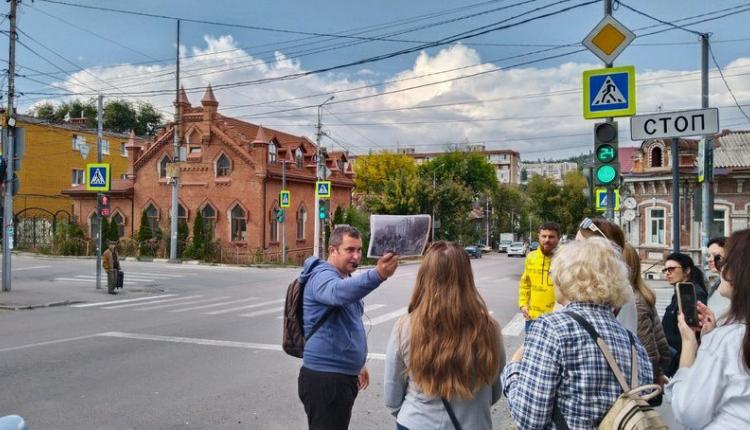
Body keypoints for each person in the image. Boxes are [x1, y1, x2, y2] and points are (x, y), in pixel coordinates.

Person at [502, 237, 653, 429]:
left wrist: (513, 369)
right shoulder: (634, 344)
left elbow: (530, 419)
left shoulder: (551, 329)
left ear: (567, 278)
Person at [384, 241, 505, 430]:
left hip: (416, 422)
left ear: (424, 277)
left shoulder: (405, 327)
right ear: (467, 277)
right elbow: (495, 390)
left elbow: (392, 393)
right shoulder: (490, 329)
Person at [297, 225, 398, 430]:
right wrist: (377, 274)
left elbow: (346, 324)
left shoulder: (343, 276)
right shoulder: (321, 276)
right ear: (333, 250)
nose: (356, 256)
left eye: (359, 250)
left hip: (339, 376)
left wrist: (358, 363)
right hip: (326, 379)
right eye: (350, 250)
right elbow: (337, 293)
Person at [666, 229, 750, 429]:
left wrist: (690, 343)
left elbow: (687, 412)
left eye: (722, 260)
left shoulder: (729, 339)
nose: (718, 267)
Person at [622, 244, 671, 405]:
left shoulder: (633, 301)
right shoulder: (638, 294)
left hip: (637, 386)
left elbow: (647, 348)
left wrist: (654, 376)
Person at [576, 216, 638, 334]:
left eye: (580, 245)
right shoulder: (575, 281)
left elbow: (627, 337)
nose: (573, 250)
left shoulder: (617, 288)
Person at [660, 252, 708, 377]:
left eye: (671, 269)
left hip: (682, 360)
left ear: (687, 271)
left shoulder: (693, 293)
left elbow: (692, 330)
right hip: (674, 357)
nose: (667, 273)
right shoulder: (679, 291)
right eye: (665, 270)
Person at [518, 222, 561, 332]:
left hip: (557, 319)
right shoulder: (531, 257)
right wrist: (523, 305)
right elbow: (525, 284)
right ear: (539, 236)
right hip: (533, 317)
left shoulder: (565, 258)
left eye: (551, 237)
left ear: (558, 238)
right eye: (544, 236)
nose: (547, 240)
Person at [706, 236, 730, 316]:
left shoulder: (735, 284)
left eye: (716, 256)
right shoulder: (717, 282)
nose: (709, 259)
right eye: (709, 255)